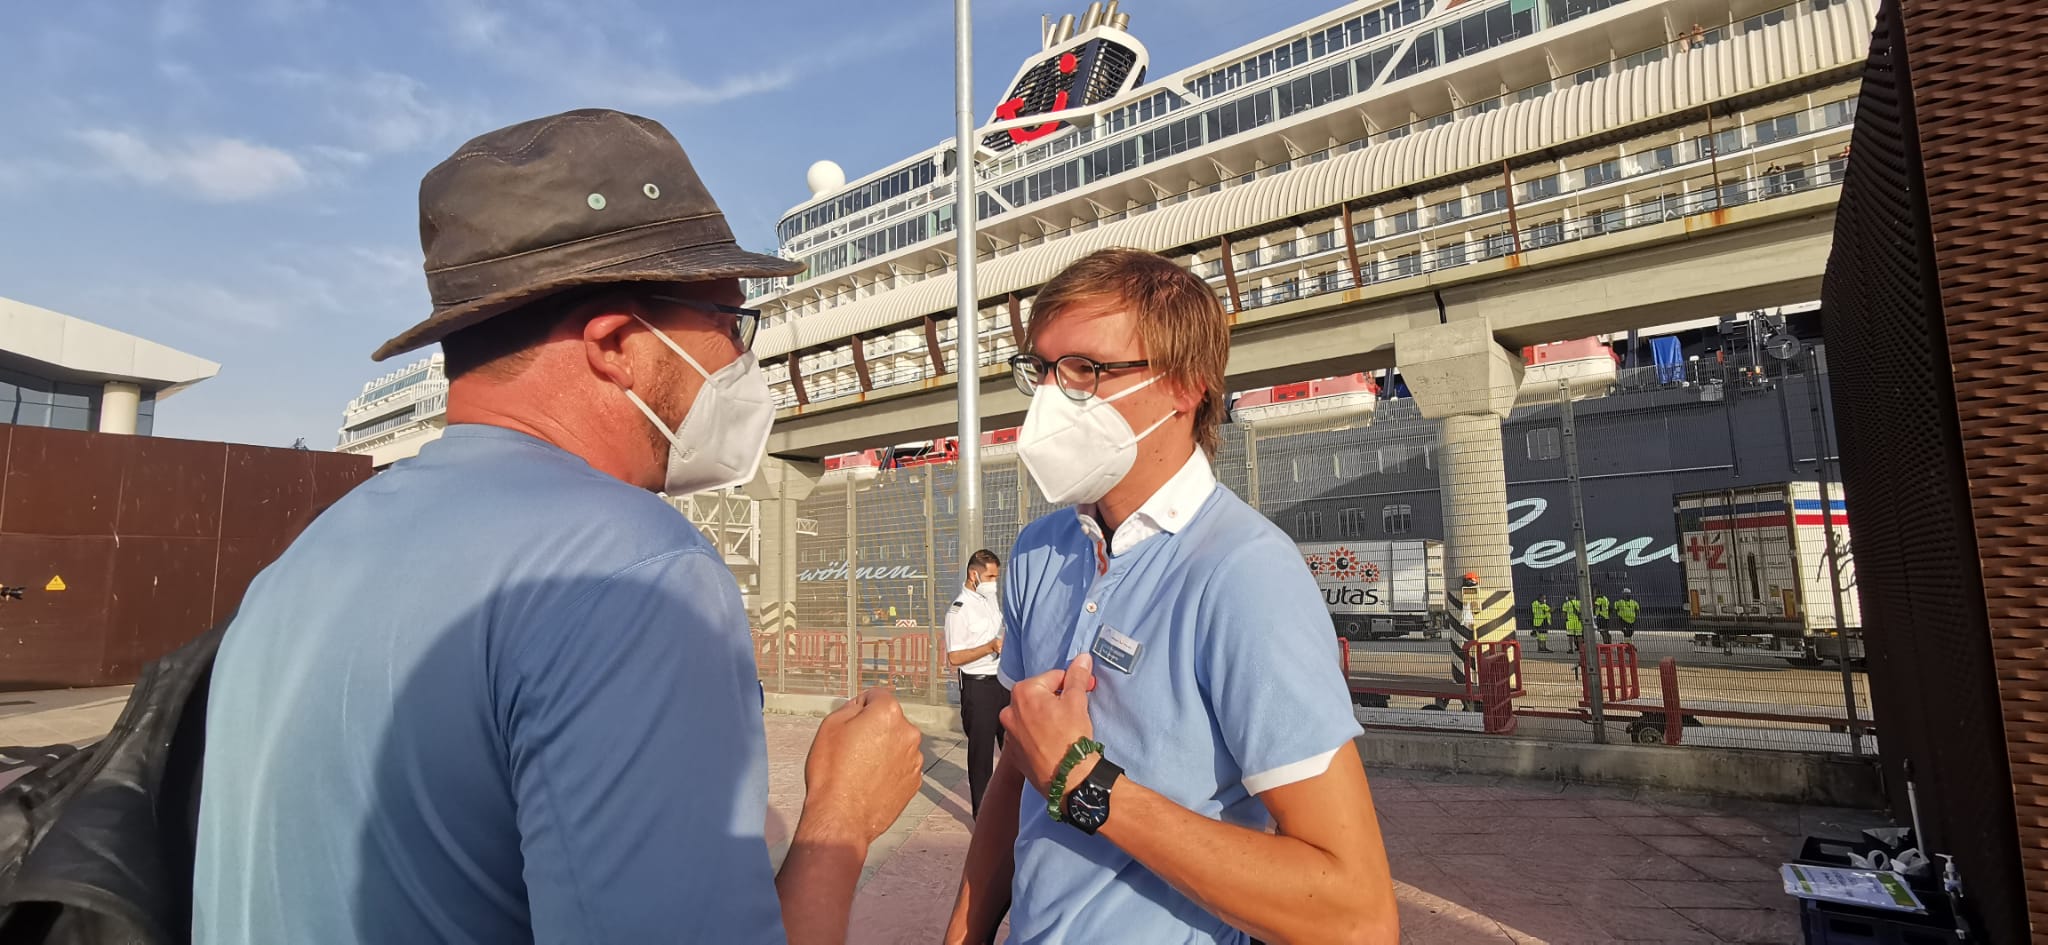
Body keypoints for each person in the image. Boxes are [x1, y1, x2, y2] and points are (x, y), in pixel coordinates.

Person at [193, 108, 926, 945]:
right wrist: (842, 819)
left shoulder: (304, 560)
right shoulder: (630, 571)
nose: (741, 361)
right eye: (730, 325)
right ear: (616, 342)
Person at [945, 248, 1398, 945]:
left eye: (1085, 372)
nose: (1048, 400)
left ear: (1185, 386)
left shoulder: (1245, 574)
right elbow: (1017, 773)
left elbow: (1356, 915)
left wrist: (1087, 783)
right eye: (1040, 370)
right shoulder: (1041, 550)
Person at [947, 549, 1009, 816]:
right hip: (978, 687)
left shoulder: (990, 601)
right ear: (974, 575)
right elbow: (955, 657)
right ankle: (982, 817)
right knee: (982, 757)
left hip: (1002, 683)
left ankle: (1012, 812)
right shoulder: (958, 611)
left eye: (996, 576)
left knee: (1013, 752)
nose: (994, 582)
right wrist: (989, 647)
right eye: (990, 576)